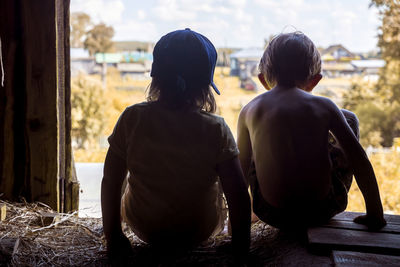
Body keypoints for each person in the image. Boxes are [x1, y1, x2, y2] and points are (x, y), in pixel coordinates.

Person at [101, 28, 250, 262]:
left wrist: (113, 236)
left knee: (127, 185)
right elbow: (239, 193)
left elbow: (111, 180)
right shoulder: (216, 128)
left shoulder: (132, 118)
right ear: (205, 88)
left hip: (144, 228)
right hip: (198, 231)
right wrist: (240, 247)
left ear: (156, 78)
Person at [237, 31, 386, 230]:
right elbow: (360, 161)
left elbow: (240, 174)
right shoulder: (325, 106)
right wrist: (375, 213)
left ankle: (252, 215)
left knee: (254, 144)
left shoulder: (249, 110)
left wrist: (234, 225)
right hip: (322, 210)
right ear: (315, 80)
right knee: (349, 118)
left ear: (263, 80)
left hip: (271, 213)